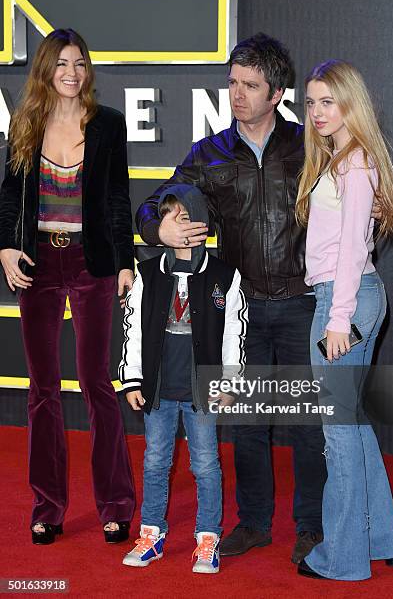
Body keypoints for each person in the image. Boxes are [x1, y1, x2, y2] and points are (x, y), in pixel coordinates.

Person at [136, 33, 328, 563]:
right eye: (232, 83)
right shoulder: (211, 153)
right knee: (246, 426)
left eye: (250, 85)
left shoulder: (310, 144)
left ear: (276, 94)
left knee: (309, 427)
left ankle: (311, 526)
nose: (236, 94)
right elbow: (153, 206)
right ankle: (255, 523)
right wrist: (161, 232)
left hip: (301, 306)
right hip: (238, 314)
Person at [0, 29, 135, 545]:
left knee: (97, 384)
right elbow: (10, 195)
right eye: (61, 64)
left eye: (79, 63)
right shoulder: (25, 124)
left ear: (88, 69)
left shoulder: (109, 125)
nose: (72, 73)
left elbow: (119, 198)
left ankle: (116, 504)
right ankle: (48, 506)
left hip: (91, 262)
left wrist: (123, 262)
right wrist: (5, 247)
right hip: (37, 262)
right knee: (42, 390)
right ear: (45, 71)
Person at [295, 59, 393, 580]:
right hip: (349, 298)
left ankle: (341, 558)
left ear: (349, 104)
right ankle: (379, 535)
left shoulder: (354, 163)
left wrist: (337, 320)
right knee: (352, 426)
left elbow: (347, 253)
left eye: (327, 101)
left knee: (337, 432)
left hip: (344, 303)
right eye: (311, 101)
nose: (317, 112)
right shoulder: (343, 158)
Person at [119, 184, 247, 573]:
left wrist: (230, 381)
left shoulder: (225, 275)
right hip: (158, 388)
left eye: (183, 215)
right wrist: (132, 379)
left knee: (206, 464)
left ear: (202, 224)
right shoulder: (147, 274)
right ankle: (152, 534)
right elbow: (134, 329)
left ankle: (208, 539)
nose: (175, 224)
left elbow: (233, 332)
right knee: (155, 462)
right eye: (167, 216)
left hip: (202, 390)